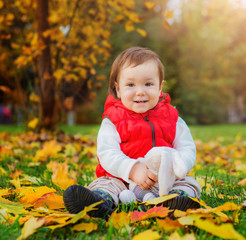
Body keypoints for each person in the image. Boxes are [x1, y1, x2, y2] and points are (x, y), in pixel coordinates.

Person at [63, 47, 201, 219]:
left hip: (162, 180)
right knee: (105, 185)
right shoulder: (112, 120)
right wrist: (132, 169)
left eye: (148, 84)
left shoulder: (172, 117)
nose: (140, 91)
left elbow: (187, 147)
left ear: (160, 88)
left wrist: (177, 166)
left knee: (189, 183)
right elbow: (107, 153)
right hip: (122, 179)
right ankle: (99, 202)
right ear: (118, 89)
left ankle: (175, 201)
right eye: (130, 85)